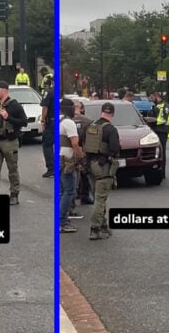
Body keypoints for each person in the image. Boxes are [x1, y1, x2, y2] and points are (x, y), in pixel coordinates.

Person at [82, 102, 120, 240]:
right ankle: (95, 228)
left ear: (101, 112)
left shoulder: (90, 126)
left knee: (98, 196)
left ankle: (103, 225)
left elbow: (82, 144)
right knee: (100, 199)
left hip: (90, 166)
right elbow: (115, 148)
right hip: (103, 167)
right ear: (113, 114)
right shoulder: (111, 130)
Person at [0, 81, 28, 205]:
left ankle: (14, 194)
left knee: (12, 169)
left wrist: (8, 117)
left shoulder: (14, 105)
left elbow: (24, 122)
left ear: (4, 90)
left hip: (9, 142)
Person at [58, 98, 83, 233]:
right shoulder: (68, 123)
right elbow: (74, 143)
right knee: (69, 191)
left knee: (62, 191)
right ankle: (62, 221)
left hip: (58, 158)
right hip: (67, 160)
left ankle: (61, 219)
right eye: (73, 108)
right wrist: (81, 157)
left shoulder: (58, 120)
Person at [73, 100, 94, 205]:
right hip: (83, 150)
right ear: (82, 109)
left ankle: (73, 196)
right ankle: (84, 195)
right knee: (84, 173)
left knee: (71, 174)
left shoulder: (65, 120)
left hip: (70, 151)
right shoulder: (88, 121)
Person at [145, 92, 169, 179]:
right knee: (156, 151)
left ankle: (162, 172)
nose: (151, 100)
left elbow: (163, 119)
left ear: (156, 97)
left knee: (162, 151)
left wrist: (153, 121)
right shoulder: (155, 106)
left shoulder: (165, 106)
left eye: (152, 98)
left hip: (162, 131)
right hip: (155, 130)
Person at [40, 85, 55, 178]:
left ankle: (51, 168)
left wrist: (43, 120)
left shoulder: (49, 92)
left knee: (47, 145)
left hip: (51, 122)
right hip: (61, 121)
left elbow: (45, 107)